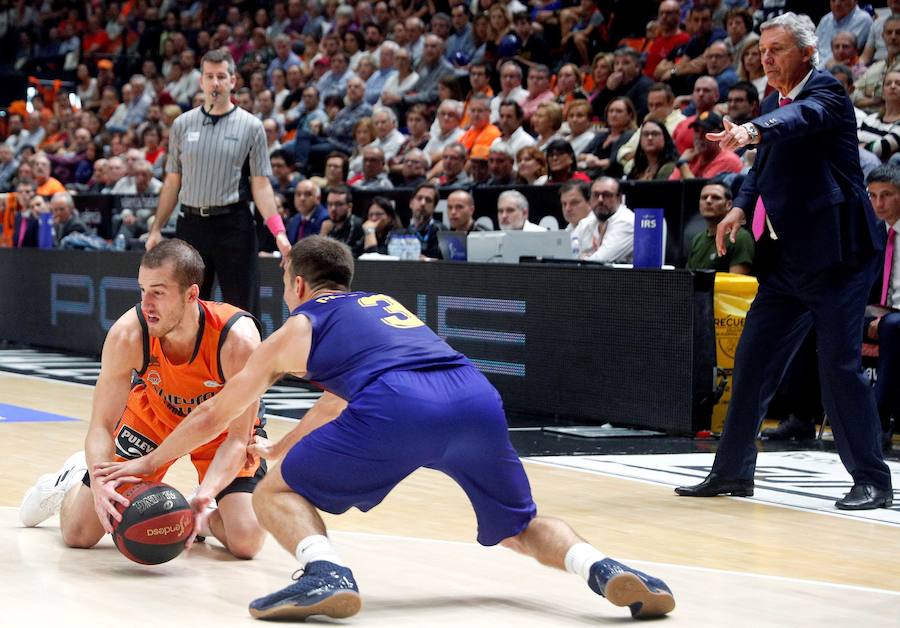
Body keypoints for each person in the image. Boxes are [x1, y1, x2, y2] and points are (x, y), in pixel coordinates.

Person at [95, 235, 676, 622]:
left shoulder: (301, 324)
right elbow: (334, 401)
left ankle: (324, 571)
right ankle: (603, 567)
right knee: (518, 525)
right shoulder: (385, 303)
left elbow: (216, 414)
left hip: (401, 405)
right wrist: (285, 443)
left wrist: (149, 464)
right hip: (473, 397)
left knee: (274, 488)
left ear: (297, 282)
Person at [675, 13, 893, 510]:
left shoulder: (828, 93)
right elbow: (762, 167)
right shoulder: (772, 99)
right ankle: (731, 472)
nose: (766, 58)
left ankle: (873, 480)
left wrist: (753, 128)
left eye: (778, 49)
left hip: (838, 257)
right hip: (787, 259)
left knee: (837, 366)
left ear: (807, 53)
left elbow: (798, 121)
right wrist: (737, 207)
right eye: (763, 49)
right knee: (752, 360)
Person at [20, 239, 267, 559]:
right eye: (142, 290)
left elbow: (236, 440)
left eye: (159, 292)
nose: (146, 304)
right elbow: (101, 425)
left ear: (192, 294)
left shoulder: (237, 340)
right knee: (79, 533)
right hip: (153, 420)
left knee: (246, 541)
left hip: (219, 430)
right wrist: (98, 477)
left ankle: (202, 521)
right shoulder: (128, 334)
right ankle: (70, 478)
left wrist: (205, 495)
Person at [145, 50, 291, 317]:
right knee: (187, 308)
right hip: (190, 225)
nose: (215, 83)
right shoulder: (181, 125)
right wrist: (157, 228)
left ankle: (247, 360)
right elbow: (172, 182)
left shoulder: (251, 126)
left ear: (233, 81)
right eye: (209, 77)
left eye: (221, 77)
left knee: (242, 307)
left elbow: (261, 185)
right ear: (201, 81)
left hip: (233, 225)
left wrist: (278, 232)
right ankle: (194, 360)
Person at [864, 164, 900, 451]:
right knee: (824, 319)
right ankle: (799, 415)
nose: (879, 203)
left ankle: (878, 423)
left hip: (894, 317)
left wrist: (888, 313)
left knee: (891, 327)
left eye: (886, 195)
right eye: (873, 195)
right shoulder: (877, 230)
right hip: (883, 310)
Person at [686, 183, 754, 273]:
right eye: (704, 197)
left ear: (729, 205)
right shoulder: (697, 239)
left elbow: (736, 283)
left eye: (716, 197)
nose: (708, 201)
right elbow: (687, 279)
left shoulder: (739, 237)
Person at [320, 184, 365, 257]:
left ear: (349, 207)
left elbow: (351, 256)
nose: (333, 209)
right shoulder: (327, 225)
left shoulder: (357, 225)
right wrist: (323, 235)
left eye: (338, 204)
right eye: (330, 204)